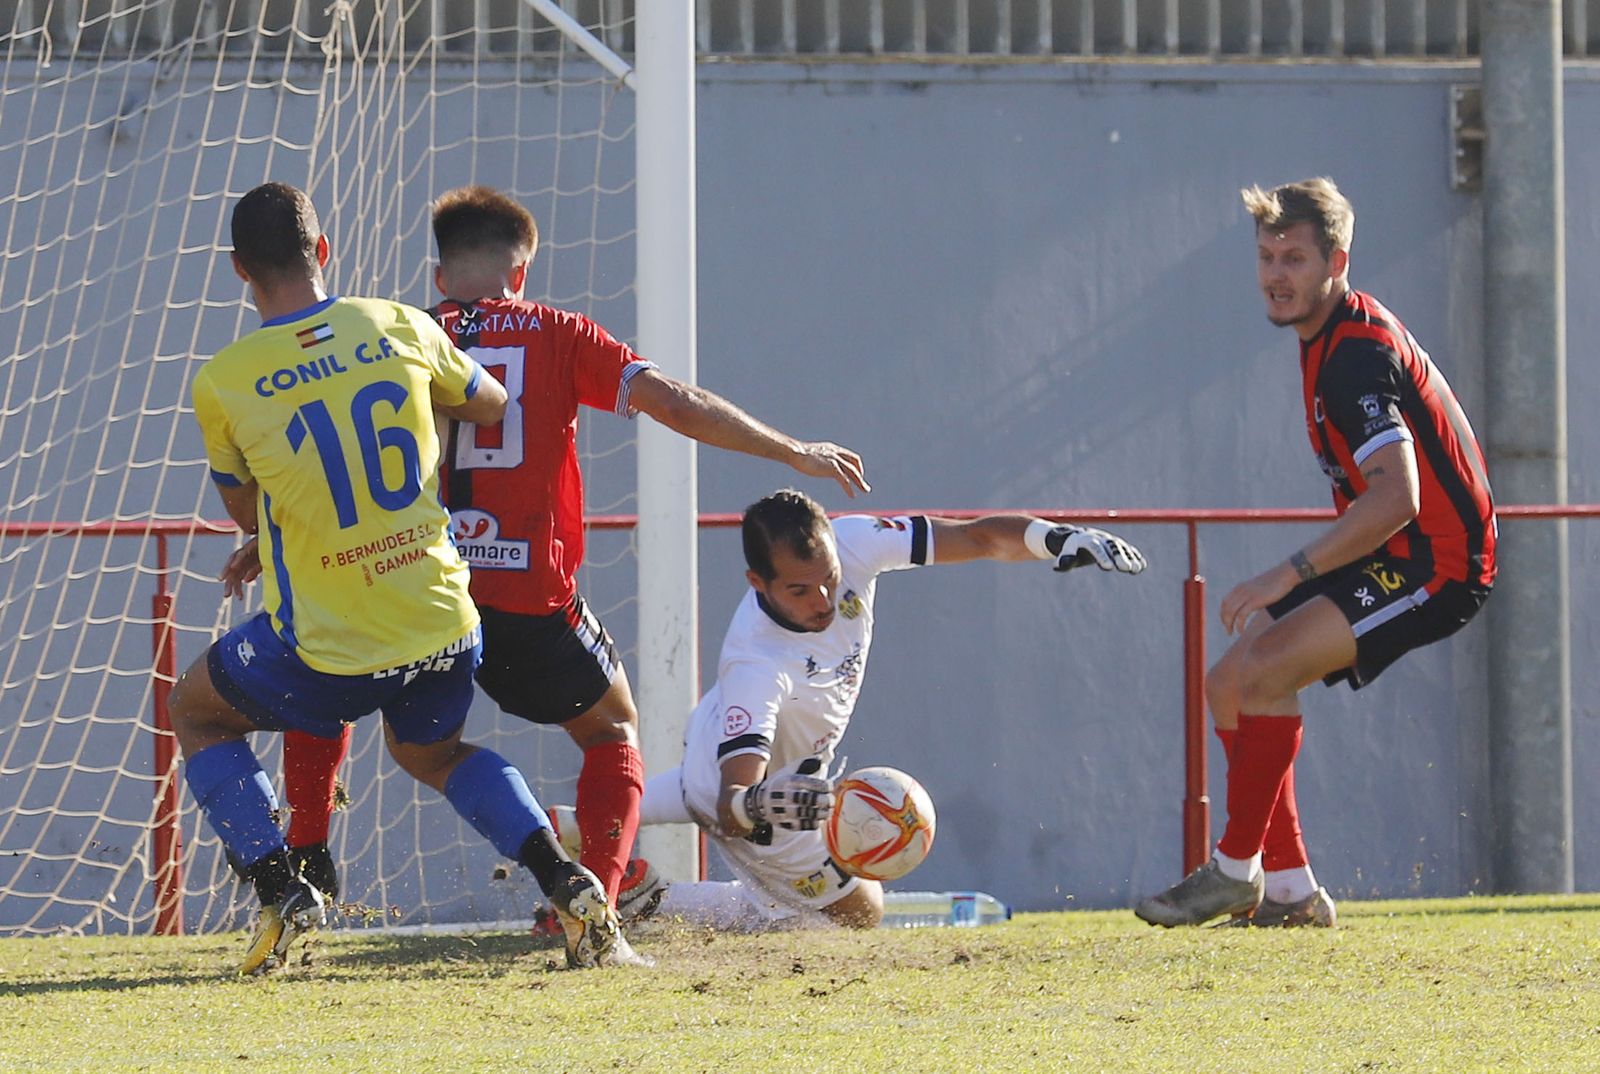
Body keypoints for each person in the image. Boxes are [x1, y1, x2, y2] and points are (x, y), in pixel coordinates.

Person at [275, 185, 871, 923]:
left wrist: (262, 538)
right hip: (528, 596)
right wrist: (792, 451)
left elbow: (337, 455)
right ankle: (588, 905)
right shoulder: (558, 332)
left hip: (419, 586)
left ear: (438, 278)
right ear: (520, 272)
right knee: (611, 732)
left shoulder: (396, 334)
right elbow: (676, 402)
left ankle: (300, 861)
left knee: (325, 682)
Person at [179, 181, 639, 974]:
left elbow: (247, 514)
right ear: (324, 252)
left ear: (237, 270)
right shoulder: (396, 322)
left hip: (334, 642)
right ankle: (565, 880)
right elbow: (491, 404)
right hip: (444, 620)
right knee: (435, 755)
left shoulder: (224, 380)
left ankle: (279, 880)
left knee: (196, 712)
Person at [1134, 177, 1496, 929]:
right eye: (1266, 256)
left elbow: (1398, 498)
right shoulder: (1328, 336)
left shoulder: (1353, 356)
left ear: (1338, 260)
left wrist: (1288, 572)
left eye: (1295, 258)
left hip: (1440, 564)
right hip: (1394, 551)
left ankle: (1235, 872)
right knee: (1228, 683)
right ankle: (1293, 893)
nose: (1276, 274)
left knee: (1264, 671)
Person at [636, 489, 1148, 930]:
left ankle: (585, 852)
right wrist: (758, 804)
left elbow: (977, 537)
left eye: (829, 579)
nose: (823, 601)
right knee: (859, 914)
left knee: (616, 819)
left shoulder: (857, 540)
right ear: (757, 582)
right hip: (759, 797)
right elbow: (731, 804)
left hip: (720, 744)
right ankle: (653, 902)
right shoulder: (756, 664)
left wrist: (1054, 538)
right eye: (798, 590)